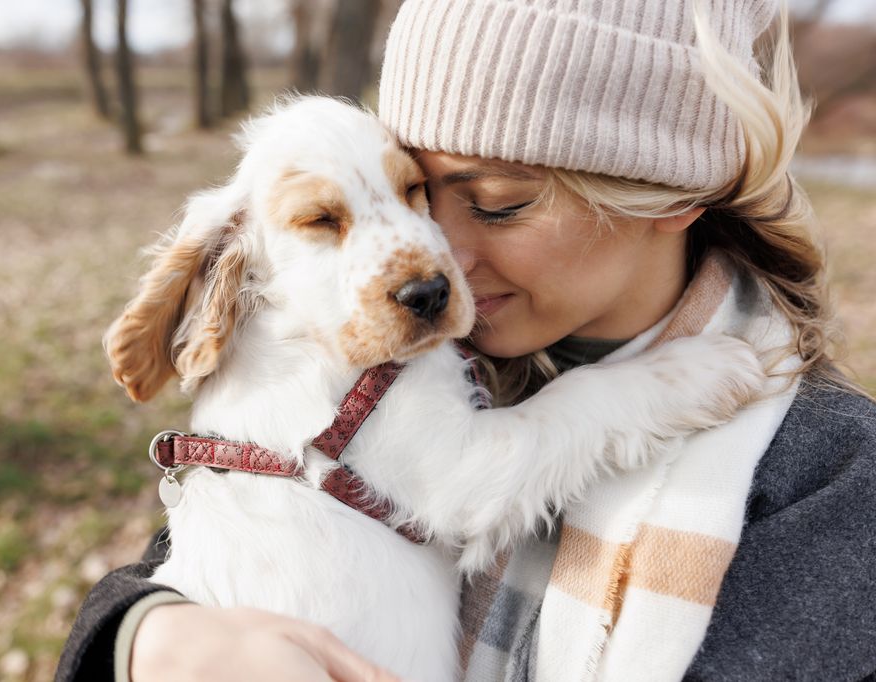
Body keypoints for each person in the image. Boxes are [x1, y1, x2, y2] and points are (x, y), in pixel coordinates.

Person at [55, 0, 876, 680]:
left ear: (670, 194)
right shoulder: (392, 367)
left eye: (495, 203)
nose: (439, 253)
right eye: (419, 191)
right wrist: (152, 637)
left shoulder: (827, 476)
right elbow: (197, 557)